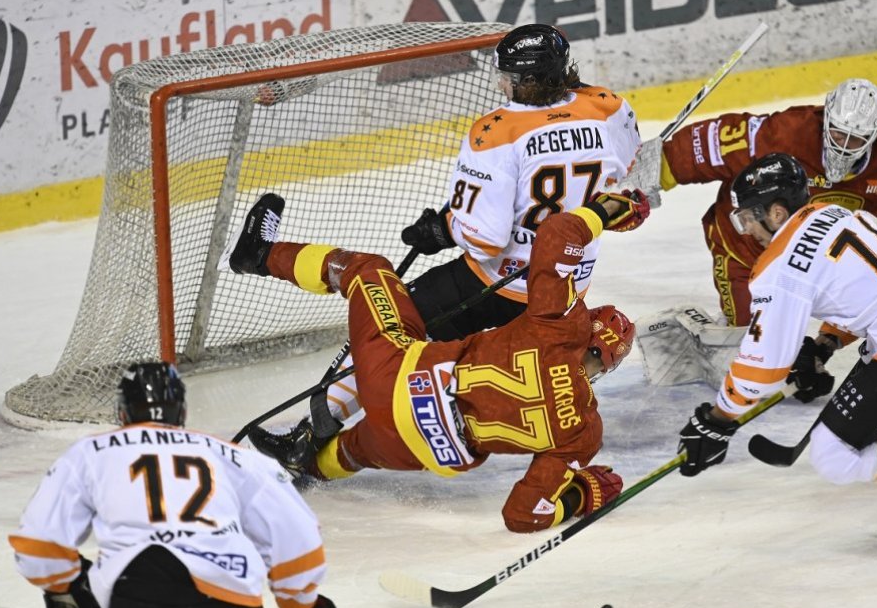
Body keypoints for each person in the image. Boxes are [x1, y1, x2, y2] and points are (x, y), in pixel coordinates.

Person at [220, 189, 646, 532]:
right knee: (356, 450)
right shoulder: (584, 433)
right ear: (607, 365)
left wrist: (605, 211)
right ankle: (310, 461)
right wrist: (581, 495)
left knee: (367, 270)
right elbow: (522, 515)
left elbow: (557, 232)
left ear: (586, 328)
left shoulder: (561, 325)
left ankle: (258, 254)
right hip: (423, 449)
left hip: (398, 378)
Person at [315, 23, 648, 427]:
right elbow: (634, 183)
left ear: (527, 81)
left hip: (495, 283)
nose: (502, 86)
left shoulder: (496, 131)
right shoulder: (609, 107)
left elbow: (487, 239)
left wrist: (443, 229)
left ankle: (318, 426)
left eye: (508, 78)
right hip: (565, 289)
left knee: (396, 322)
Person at [9, 362, 338, 608]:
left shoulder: (92, 452)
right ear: (180, 412)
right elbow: (299, 540)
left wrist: (69, 588)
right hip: (231, 607)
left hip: (138, 603)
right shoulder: (234, 456)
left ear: (122, 413)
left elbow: (39, 547)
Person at [674, 153, 877, 529]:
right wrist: (826, 343)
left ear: (777, 213)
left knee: (833, 456)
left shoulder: (781, 265)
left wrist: (718, 419)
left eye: (748, 217)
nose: (746, 229)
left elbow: (763, 366)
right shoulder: (839, 213)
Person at [620, 78, 877, 329]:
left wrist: (827, 342)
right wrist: (661, 167)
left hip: (824, 258)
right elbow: (718, 142)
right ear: (826, 119)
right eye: (838, 133)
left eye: (856, 139)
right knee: (749, 332)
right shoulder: (788, 132)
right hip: (748, 245)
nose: (843, 144)